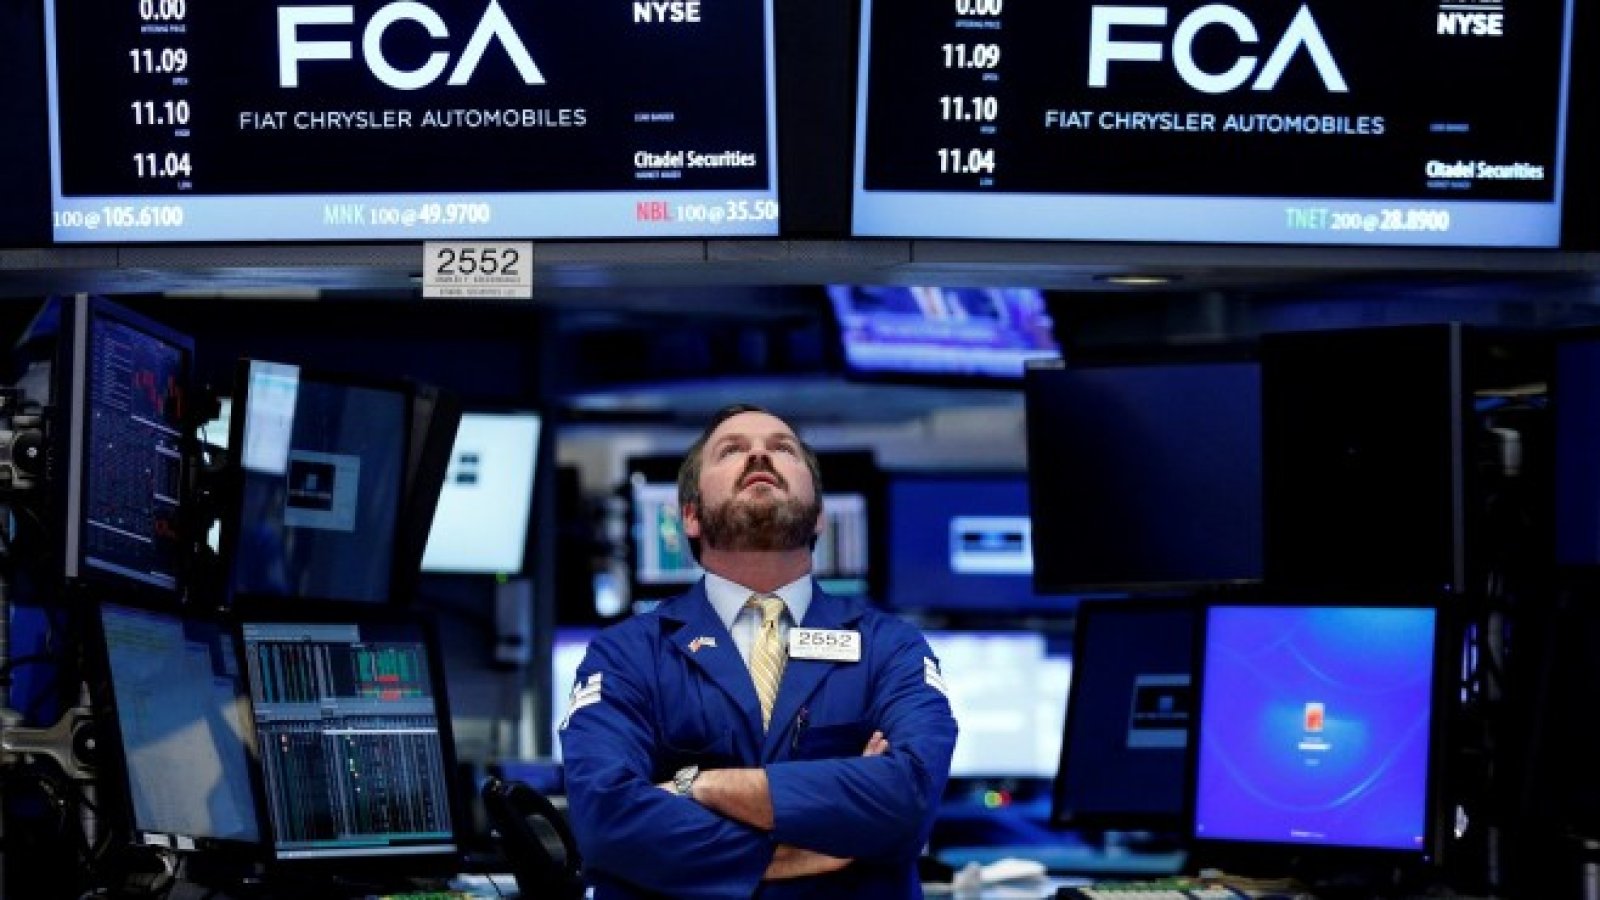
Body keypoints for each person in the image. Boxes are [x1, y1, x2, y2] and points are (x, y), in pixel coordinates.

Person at [560, 404, 958, 898]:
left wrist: (698, 786)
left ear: (818, 516)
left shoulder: (890, 647)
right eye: (731, 450)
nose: (759, 455)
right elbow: (606, 819)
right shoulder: (627, 653)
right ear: (691, 516)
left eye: (782, 449)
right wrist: (804, 844)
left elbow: (908, 799)